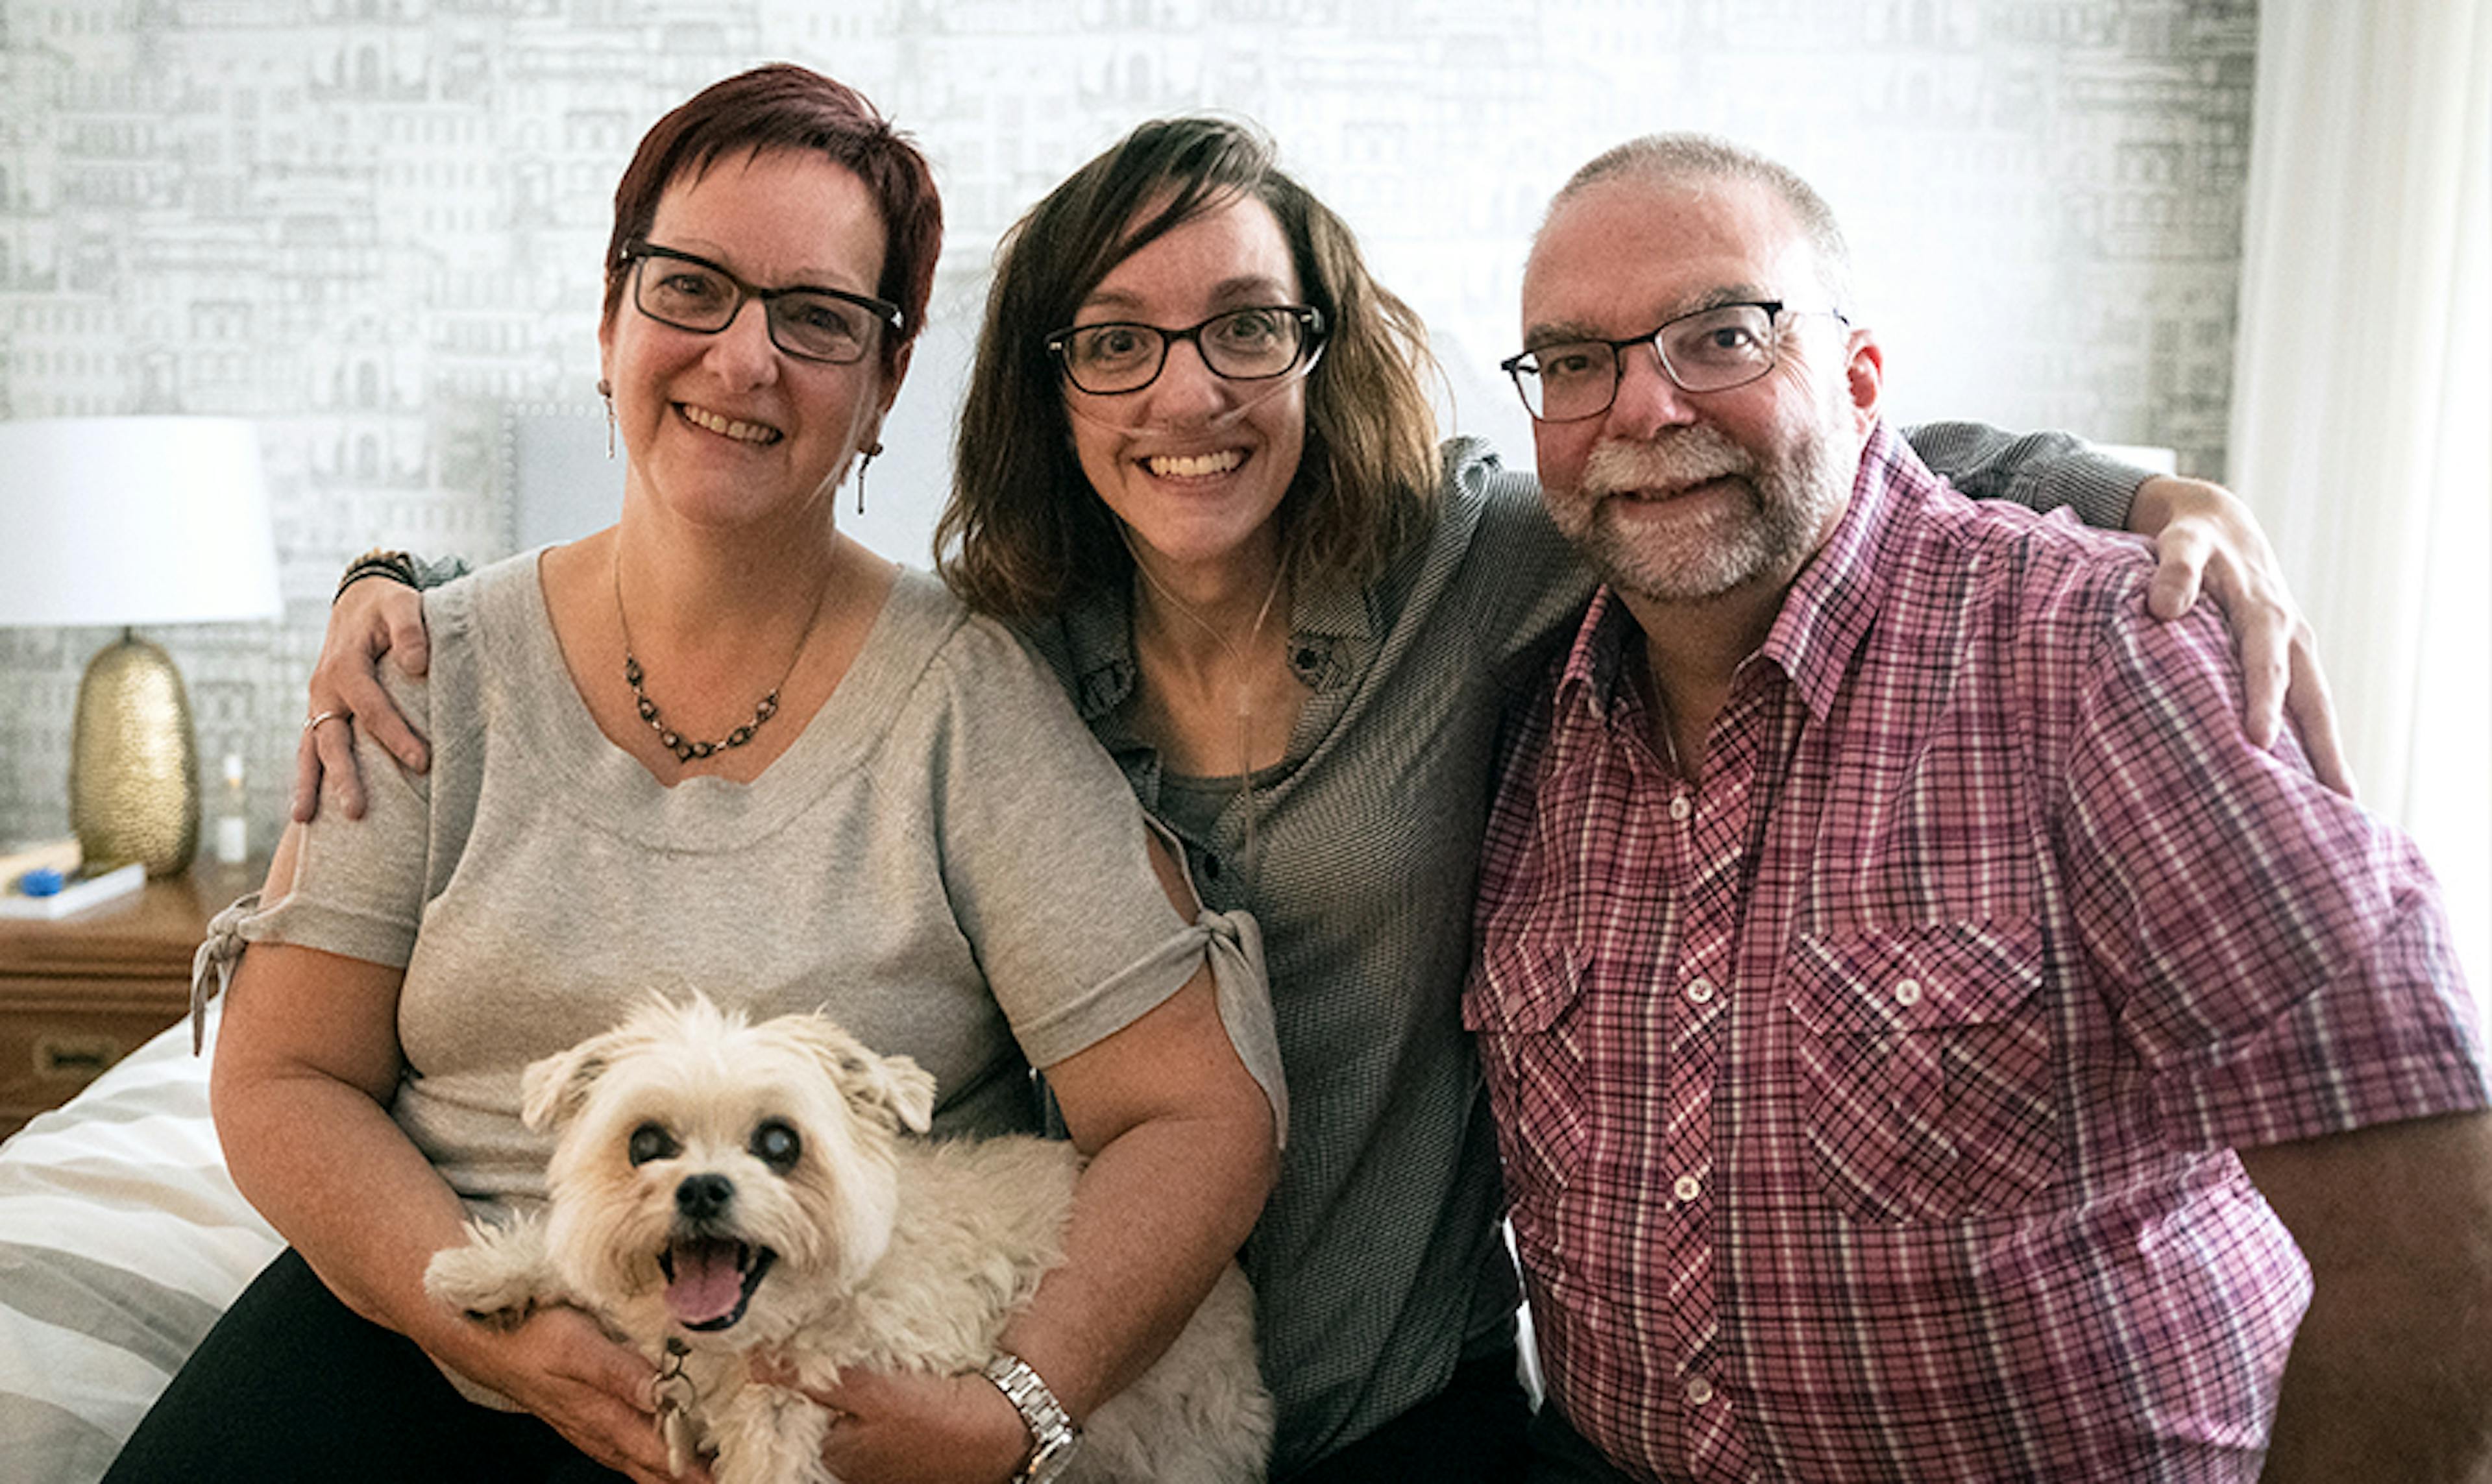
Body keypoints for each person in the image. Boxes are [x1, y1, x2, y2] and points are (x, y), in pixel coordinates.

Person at [297, 117, 2344, 1481]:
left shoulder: (1483, 565)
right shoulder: (998, 649)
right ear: (1046, 383)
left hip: (1394, 1393)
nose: (1188, 396)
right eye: (1117, 343)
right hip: (1078, 1390)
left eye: (1246, 328)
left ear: (1324, 345)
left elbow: (1752, 445)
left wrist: (2137, 491)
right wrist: (390, 589)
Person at [104, 66, 1282, 1484]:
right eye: (691, 290)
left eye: (818, 317)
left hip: (809, 1368)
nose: (743, 361)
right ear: (609, 319)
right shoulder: (427, 668)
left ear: (885, 382)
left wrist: (1013, 1407)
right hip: (433, 1294)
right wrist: (487, 1328)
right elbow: (285, 1070)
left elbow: (1193, 1114)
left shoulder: (965, 697)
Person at [1471, 132, 2492, 1484]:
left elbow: (2447, 1244)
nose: (1646, 410)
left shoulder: (2105, 658)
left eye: (1722, 336)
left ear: (1861, 377)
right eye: (1576, 362)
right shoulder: (1532, 695)